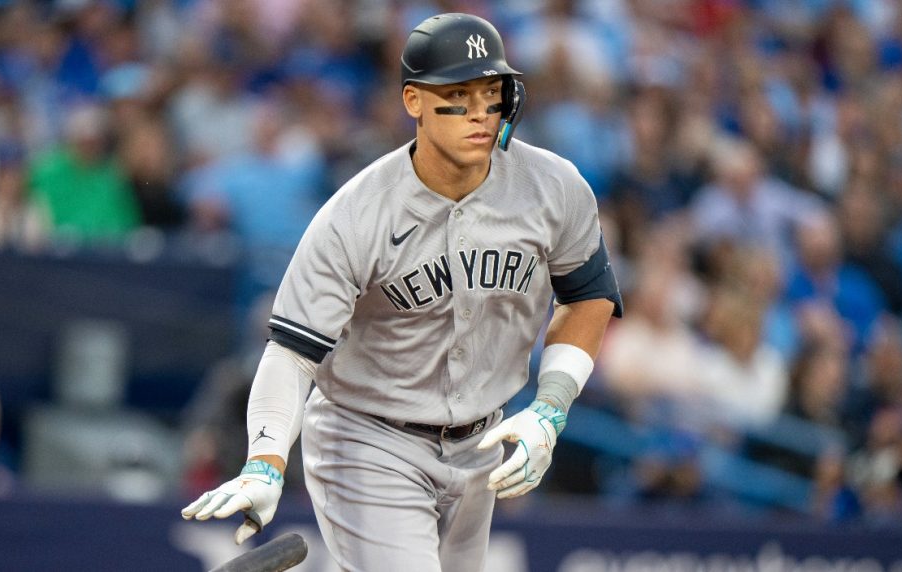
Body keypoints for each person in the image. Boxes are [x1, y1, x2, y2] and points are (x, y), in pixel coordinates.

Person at [180, 13, 623, 571]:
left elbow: (588, 295)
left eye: (491, 93)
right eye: (458, 95)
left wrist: (550, 409)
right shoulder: (357, 214)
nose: (480, 113)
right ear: (414, 100)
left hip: (480, 443)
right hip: (369, 437)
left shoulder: (554, 188)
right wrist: (266, 461)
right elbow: (292, 351)